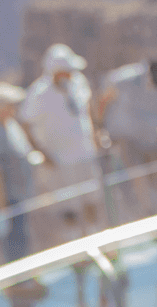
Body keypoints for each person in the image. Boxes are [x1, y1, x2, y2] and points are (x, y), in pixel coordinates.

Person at [17, 43, 103, 235]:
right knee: (68, 207)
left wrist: (95, 133)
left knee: (91, 199)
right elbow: (25, 122)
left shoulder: (78, 83)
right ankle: (76, 251)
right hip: (60, 161)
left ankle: (97, 238)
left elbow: (87, 108)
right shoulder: (40, 93)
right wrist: (40, 151)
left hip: (85, 153)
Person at [0, 82, 48, 307]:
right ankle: (19, 287)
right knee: (13, 244)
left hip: (20, 197)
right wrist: (2, 209)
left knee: (22, 240)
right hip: (8, 201)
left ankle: (26, 281)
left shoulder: (10, 127)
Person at [96, 58, 157, 220]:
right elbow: (104, 99)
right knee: (138, 177)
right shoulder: (125, 79)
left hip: (153, 138)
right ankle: (149, 214)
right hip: (128, 139)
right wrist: (100, 126)